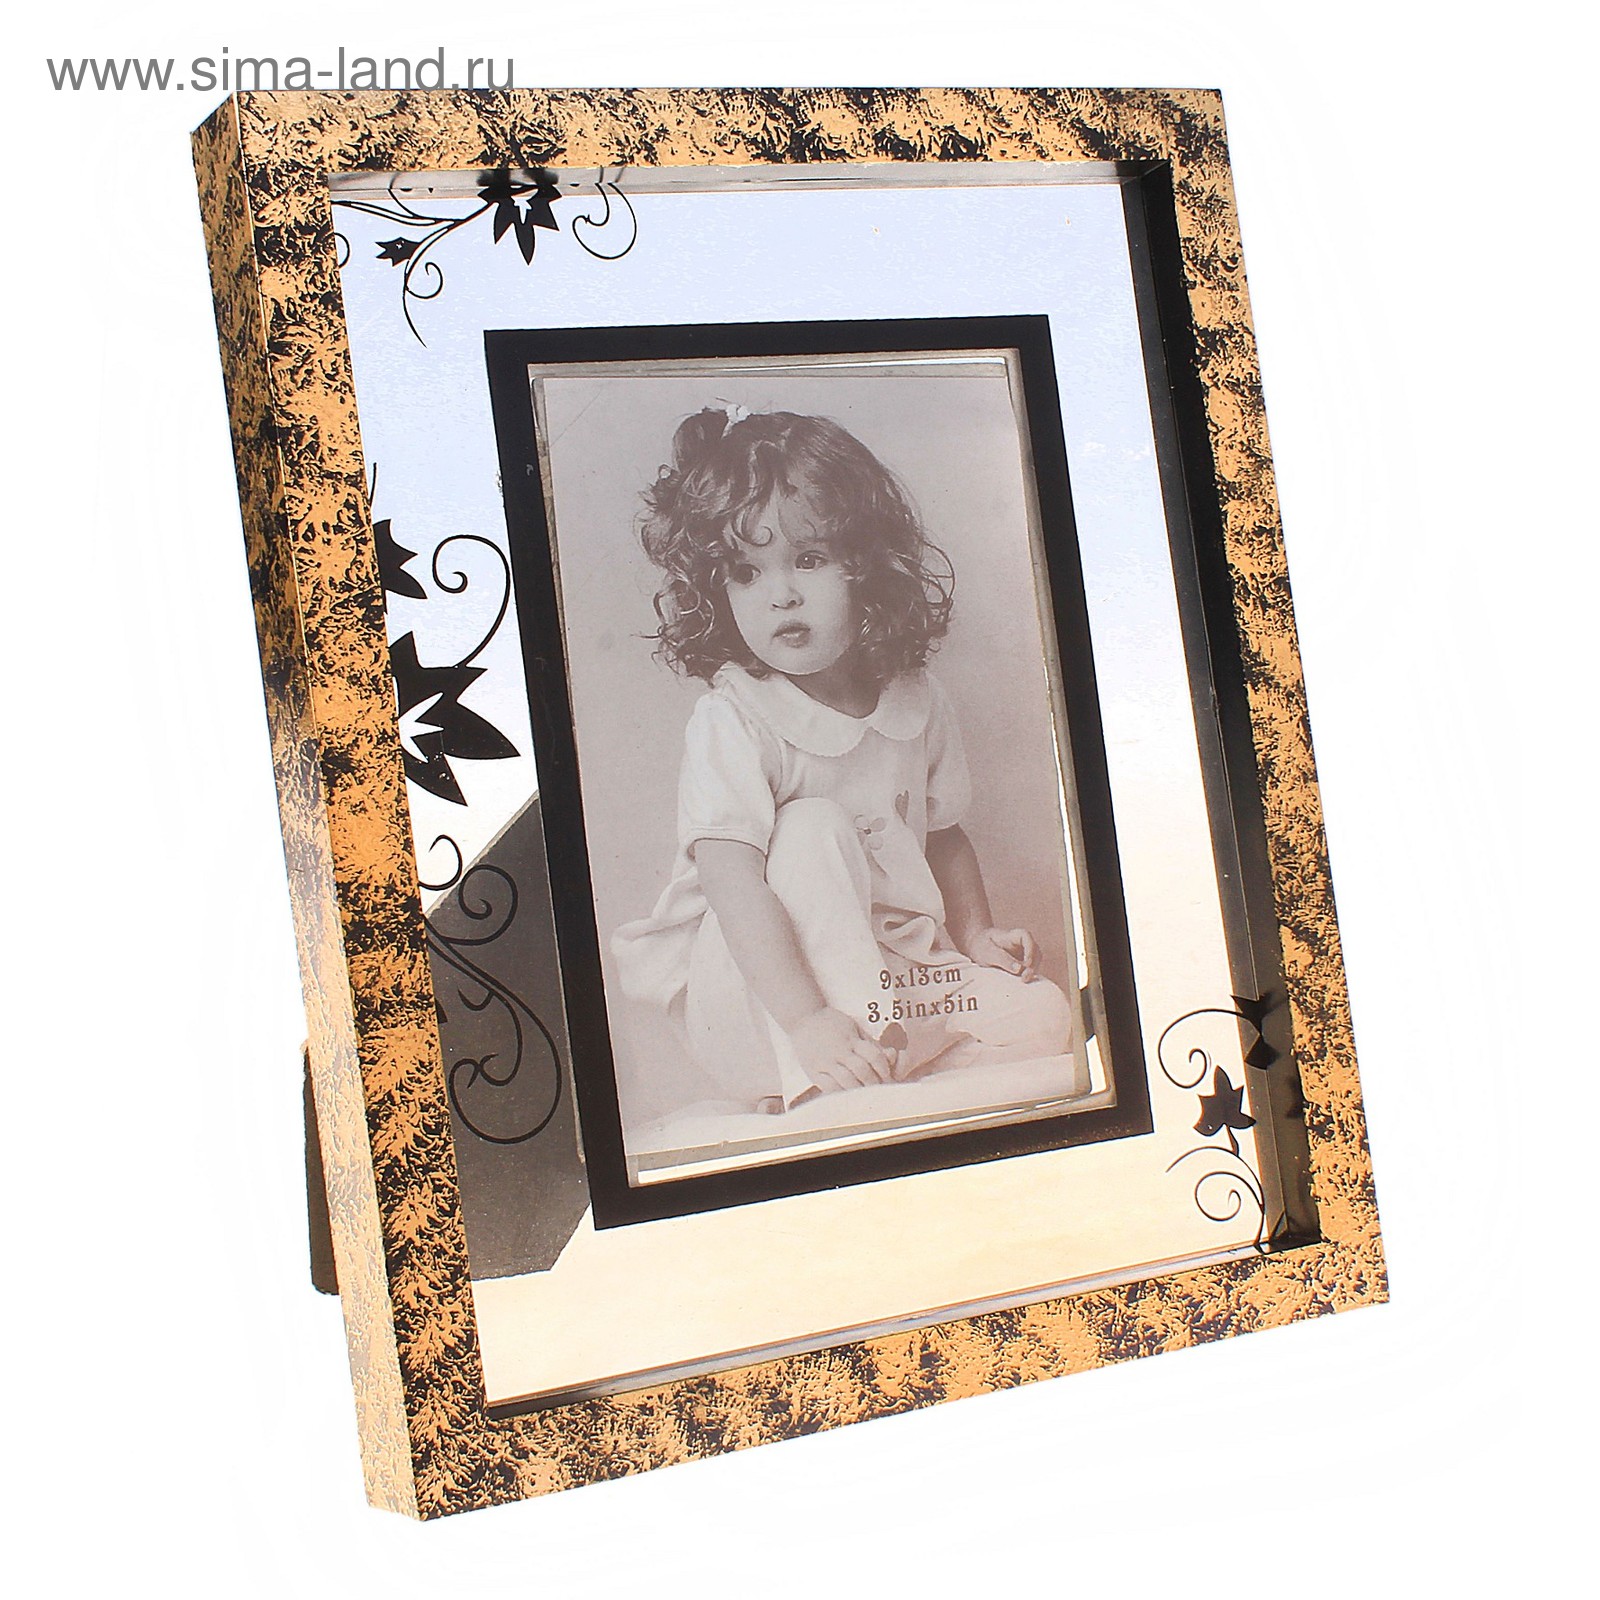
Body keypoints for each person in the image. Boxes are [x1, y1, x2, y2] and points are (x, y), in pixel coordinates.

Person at [612, 407, 1081, 1115]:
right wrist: (807, 1021)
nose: (781, 594)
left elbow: (944, 835)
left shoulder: (916, 699)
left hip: (891, 970)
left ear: (867, 566)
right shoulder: (734, 717)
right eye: (746, 572)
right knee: (811, 825)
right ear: (717, 590)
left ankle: (879, 1061)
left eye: (808, 559)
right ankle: (824, 1061)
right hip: (759, 996)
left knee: (1045, 1017)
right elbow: (733, 888)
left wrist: (976, 934)